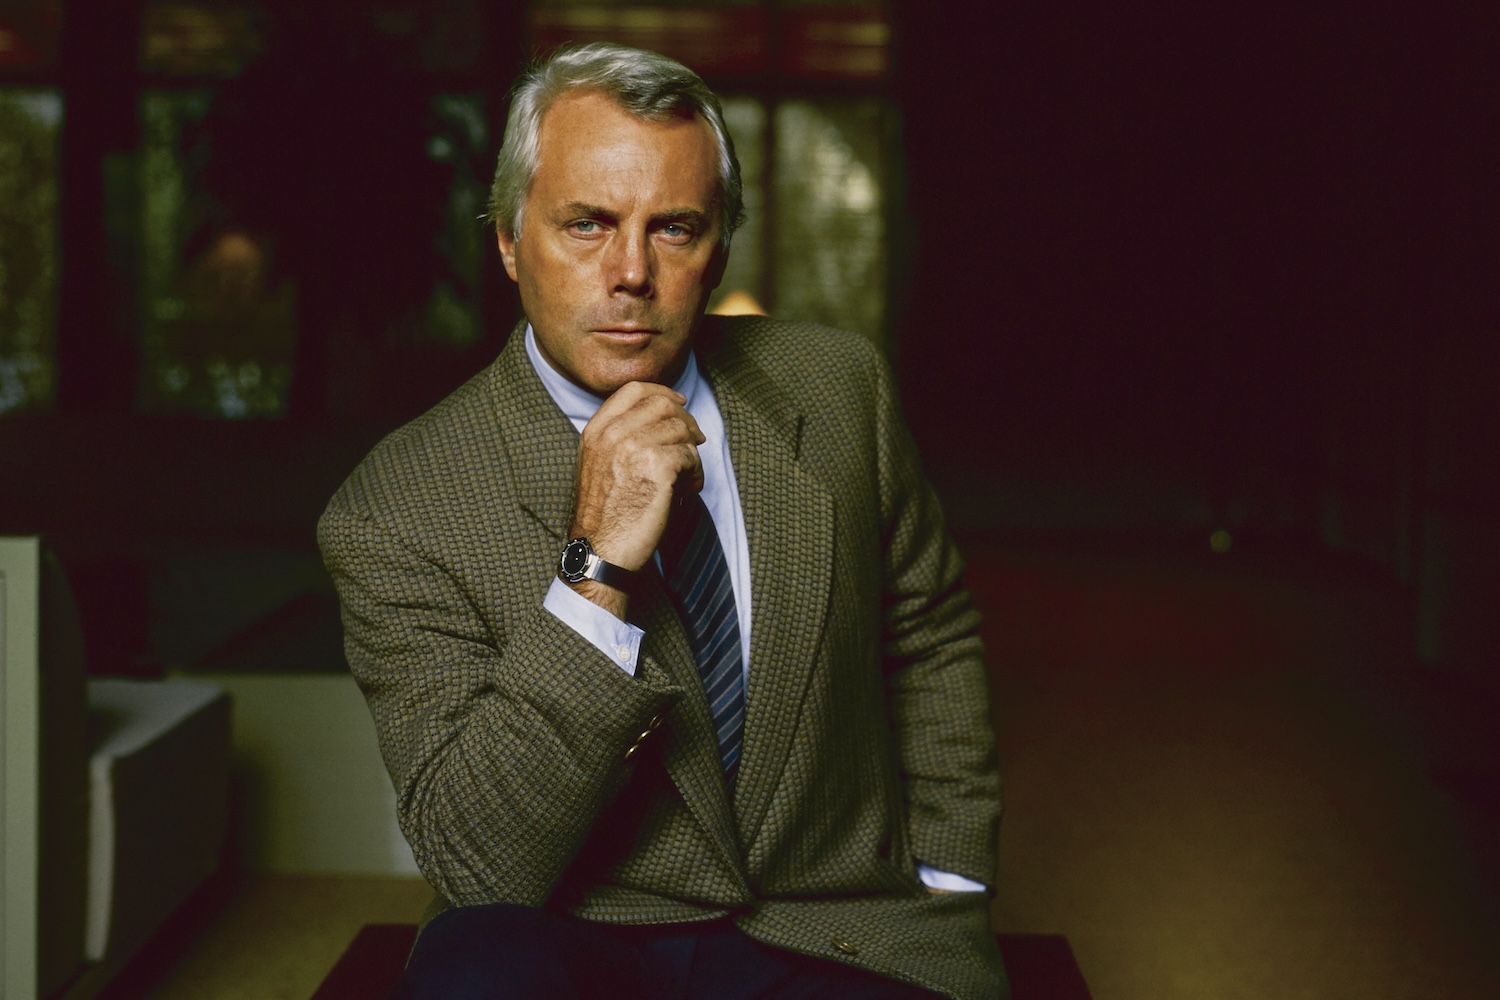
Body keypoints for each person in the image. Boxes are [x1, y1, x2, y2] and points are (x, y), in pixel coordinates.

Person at [318, 42, 1006, 1000]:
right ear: (512, 241)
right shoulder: (396, 505)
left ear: (719, 245)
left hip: (835, 926)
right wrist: (595, 565)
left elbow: (930, 639)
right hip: (570, 928)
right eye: (587, 224)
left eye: (674, 228)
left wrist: (950, 875)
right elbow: (479, 861)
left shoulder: (841, 389)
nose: (631, 271)